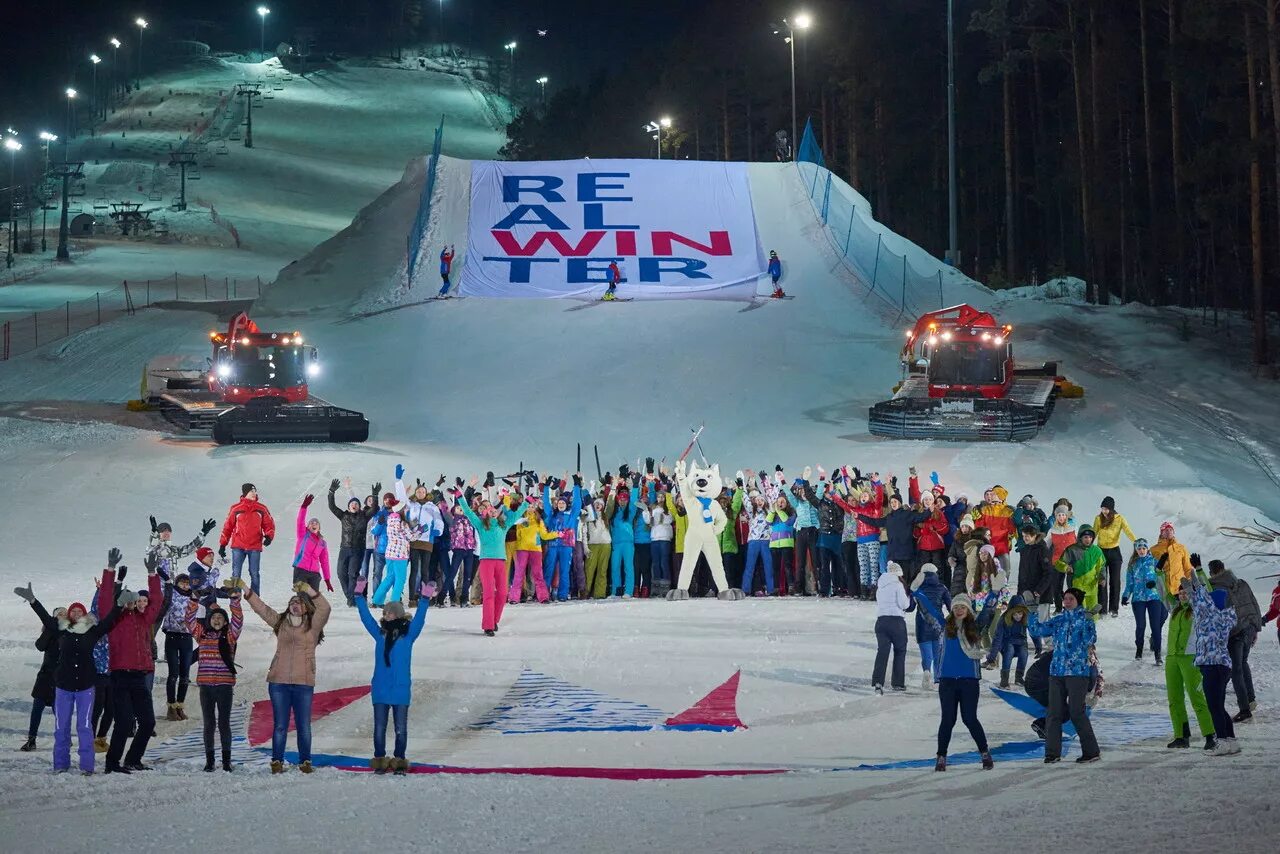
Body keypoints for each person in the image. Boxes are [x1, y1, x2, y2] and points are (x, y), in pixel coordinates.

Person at [14, 581, 120, 774]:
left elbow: (109, 621)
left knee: (85, 727)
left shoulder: (92, 631)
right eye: (74, 611)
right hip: (63, 687)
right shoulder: (61, 630)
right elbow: (46, 619)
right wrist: (33, 600)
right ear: (69, 615)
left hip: (86, 688)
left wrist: (119, 604)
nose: (77, 613)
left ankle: (87, 766)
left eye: (80, 611)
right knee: (61, 727)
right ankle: (61, 764)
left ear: (85, 614)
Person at [244, 581, 330, 773]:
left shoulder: (313, 626)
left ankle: (305, 761)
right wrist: (245, 589)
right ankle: (277, 761)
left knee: (303, 725)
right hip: (278, 683)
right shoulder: (280, 623)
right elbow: (262, 609)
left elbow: (325, 608)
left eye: (299, 602)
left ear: (306, 608)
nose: (295, 604)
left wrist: (308, 589)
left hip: (303, 682)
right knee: (280, 725)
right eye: (292, 602)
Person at [356, 577, 431, 775]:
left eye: (387, 612)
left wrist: (424, 599)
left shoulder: (408, 635)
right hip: (381, 688)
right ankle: (380, 758)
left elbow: (420, 619)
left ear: (396, 614)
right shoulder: (380, 634)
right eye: (384, 612)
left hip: (399, 688)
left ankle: (399, 759)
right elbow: (366, 619)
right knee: (379, 728)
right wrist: (358, 597)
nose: (385, 614)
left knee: (400, 728)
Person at [913, 590, 994, 771]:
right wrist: (917, 592)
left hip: (969, 681)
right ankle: (941, 756)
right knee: (948, 720)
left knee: (970, 718)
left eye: (962, 607)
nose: (958, 610)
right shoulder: (944, 626)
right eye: (955, 607)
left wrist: (994, 592)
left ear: (968, 609)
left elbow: (988, 609)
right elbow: (930, 611)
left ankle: (985, 753)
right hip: (948, 681)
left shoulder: (976, 626)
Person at [100, 550, 163, 774]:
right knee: (124, 723)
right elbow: (105, 598)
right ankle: (112, 762)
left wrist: (152, 573)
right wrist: (110, 569)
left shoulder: (143, 619)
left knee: (147, 723)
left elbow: (156, 601)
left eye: (134, 601)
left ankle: (133, 759)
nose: (132, 603)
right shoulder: (113, 620)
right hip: (119, 676)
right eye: (128, 600)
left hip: (140, 675)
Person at [1028, 587, 1101, 763]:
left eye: (1071, 599)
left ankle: (1091, 752)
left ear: (1078, 601)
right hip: (1057, 672)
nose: (1067, 602)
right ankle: (1052, 753)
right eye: (1065, 599)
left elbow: (1089, 641)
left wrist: (1088, 622)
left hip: (1077, 673)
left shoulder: (1085, 619)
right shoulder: (1059, 620)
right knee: (1053, 713)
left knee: (1077, 712)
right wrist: (1032, 612)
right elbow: (1037, 631)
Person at [184, 584, 243, 772]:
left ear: (225, 622)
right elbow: (189, 620)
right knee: (209, 723)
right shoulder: (202, 635)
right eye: (214, 618)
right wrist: (194, 600)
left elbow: (238, 619)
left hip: (224, 686)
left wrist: (234, 599)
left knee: (224, 723)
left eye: (221, 618)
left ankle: (226, 761)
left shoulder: (230, 636)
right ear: (209, 621)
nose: (217, 620)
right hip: (206, 686)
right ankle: (210, 761)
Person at [455, 491, 528, 635]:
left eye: (494, 510)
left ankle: (494, 620)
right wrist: (459, 496)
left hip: (501, 561)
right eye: (490, 510)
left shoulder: (504, 525)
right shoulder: (481, 526)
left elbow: (517, 513)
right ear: (486, 514)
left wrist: (528, 501)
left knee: (502, 593)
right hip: (486, 562)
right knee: (488, 593)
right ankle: (488, 626)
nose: (493, 511)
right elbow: (469, 512)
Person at [1185, 574, 1240, 755]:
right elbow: (1199, 604)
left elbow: (1202, 604)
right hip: (1222, 665)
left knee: (1214, 707)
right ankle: (1231, 741)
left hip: (1212, 665)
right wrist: (1194, 592)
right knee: (1219, 705)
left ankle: (1222, 742)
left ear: (1212, 604)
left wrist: (1198, 585)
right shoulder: (1221, 618)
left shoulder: (1211, 617)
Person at [1162, 578, 1216, 751]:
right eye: (1181, 592)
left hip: (1190, 657)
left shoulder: (1199, 609)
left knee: (1197, 698)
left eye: (1186, 592)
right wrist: (1158, 572)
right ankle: (1181, 736)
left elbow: (1208, 594)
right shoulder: (1175, 609)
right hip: (1172, 657)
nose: (1183, 595)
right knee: (1174, 699)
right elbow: (1162, 590)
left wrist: (1199, 572)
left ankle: (1210, 735)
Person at [1208, 559, 1262, 722]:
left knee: (1235, 670)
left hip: (1235, 632)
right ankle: (1250, 699)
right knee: (1243, 663)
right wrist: (1256, 628)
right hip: (1249, 627)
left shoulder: (1216, 588)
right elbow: (1254, 604)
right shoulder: (1242, 583)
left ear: (1212, 572)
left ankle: (1244, 709)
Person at [16, 589, 60, 752]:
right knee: (37, 710)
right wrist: (48, 630)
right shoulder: (50, 631)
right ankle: (32, 740)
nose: (62, 615)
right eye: (59, 613)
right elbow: (40, 646)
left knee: (59, 712)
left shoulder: (68, 633)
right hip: (45, 677)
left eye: (64, 613)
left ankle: (64, 738)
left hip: (60, 679)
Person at [218, 483, 276, 596]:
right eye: (251, 491)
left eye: (255, 491)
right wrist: (222, 544)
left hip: (254, 546)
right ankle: (236, 595)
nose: (254, 493)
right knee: (236, 573)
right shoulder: (235, 508)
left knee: (254, 573)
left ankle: (255, 597)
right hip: (238, 546)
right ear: (245, 493)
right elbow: (227, 527)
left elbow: (269, 525)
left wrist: (269, 536)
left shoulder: (261, 508)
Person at [328, 478, 375, 607]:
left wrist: (375, 496)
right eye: (352, 504)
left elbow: (374, 509)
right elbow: (332, 507)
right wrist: (331, 492)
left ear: (359, 507)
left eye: (356, 504)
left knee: (353, 574)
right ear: (349, 506)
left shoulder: (364, 517)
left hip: (358, 550)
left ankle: (351, 600)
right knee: (340, 573)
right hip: (344, 549)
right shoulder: (343, 516)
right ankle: (351, 596)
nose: (354, 505)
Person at [399, 477, 444, 607]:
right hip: (414, 540)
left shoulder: (432, 507)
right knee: (414, 570)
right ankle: (412, 598)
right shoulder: (411, 504)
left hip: (427, 542)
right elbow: (401, 504)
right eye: (418, 491)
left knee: (425, 570)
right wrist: (403, 491)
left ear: (426, 493)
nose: (421, 493)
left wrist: (437, 531)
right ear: (416, 493)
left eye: (423, 491)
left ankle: (426, 597)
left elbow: (438, 520)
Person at [159, 572, 197, 721]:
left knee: (185, 675)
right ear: (177, 583)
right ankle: (171, 706)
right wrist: (162, 572)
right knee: (173, 674)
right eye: (182, 583)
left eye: (187, 583)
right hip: (172, 636)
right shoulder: (171, 594)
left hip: (187, 638)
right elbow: (163, 585)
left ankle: (180, 705)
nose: (185, 585)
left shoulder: (192, 596)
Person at [871, 562, 914, 694]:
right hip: (896, 622)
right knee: (900, 651)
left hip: (881, 621)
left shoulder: (881, 586)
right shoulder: (898, 585)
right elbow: (904, 604)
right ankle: (897, 682)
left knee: (882, 652)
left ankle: (878, 682)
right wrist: (910, 598)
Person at [1122, 538, 1166, 664]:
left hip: (1154, 598)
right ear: (1136, 550)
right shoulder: (1132, 565)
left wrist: (1155, 583)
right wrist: (1125, 596)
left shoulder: (1154, 562)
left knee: (1155, 626)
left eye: (1144, 548)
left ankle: (1158, 654)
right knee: (1141, 625)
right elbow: (1129, 583)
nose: (1141, 551)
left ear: (1147, 549)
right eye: (1139, 548)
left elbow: (1162, 578)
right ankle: (1139, 650)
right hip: (1138, 599)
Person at [1092, 496, 1137, 616]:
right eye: (1102, 508)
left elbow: (1128, 531)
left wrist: (1136, 542)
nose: (1104, 511)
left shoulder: (1119, 518)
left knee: (1115, 581)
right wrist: (1088, 545)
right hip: (1101, 552)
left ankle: (1114, 609)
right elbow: (1093, 532)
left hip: (1114, 552)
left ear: (1112, 509)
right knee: (1102, 581)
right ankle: (1102, 609)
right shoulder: (1098, 519)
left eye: (1106, 509)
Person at [910, 563, 951, 690]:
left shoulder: (917, 589)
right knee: (938, 653)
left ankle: (927, 671)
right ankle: (938, 679)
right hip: (938, 624)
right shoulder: (942, 588)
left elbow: (910, 607)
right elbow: (951, 607)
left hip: (922, 624)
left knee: (926, 654)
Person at [543, 479, 584, 602]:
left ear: (566, 505)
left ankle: (562, 594)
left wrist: (576, 486)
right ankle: (544, 593)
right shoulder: (552, 515)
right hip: (553, 545)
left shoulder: (571, 515)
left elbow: (577, 503)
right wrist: (546, 487)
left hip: (566, 546)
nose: (561, 505)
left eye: (563, 503)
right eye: (559, 503)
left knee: (564, 571)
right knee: (549, 569)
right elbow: (546, 504)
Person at [510, 499, 557, 604]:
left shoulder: (538, 520)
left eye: (532, 506)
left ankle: (543, 597)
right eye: (528, 506)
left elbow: (544, 535)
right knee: (519, 573)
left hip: (536, 550)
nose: (530, 508)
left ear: (535, 508)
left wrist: (556, 534)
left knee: (538, 573)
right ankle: (514, 597)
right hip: (522, 549)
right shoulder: (520, 519)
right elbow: (512, 523)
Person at [1016, 526, 1053, 653]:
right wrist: (1020, 593)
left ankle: (1051, 643)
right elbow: (1022, 573)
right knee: (1029, 619)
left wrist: (1040, 590)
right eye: (1023, 535)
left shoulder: (1042, 549)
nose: (1025, 538)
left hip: (1041, 593)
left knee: (1043, 619)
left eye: (1028, 535)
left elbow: (1048, 573)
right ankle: (1035, 642)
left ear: (1034, 535)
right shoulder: (1024, 549)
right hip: (1027, 593)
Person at [145, 515, 215, 581]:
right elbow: (150, 550)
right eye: (163, 531)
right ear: (159, 534)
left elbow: (191, 548)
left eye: (168, 531)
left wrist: (203, 533)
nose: (166, 533)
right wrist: (154, 534)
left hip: (173, 585)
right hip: (158, 585)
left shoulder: (174, 551)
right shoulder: (156, 549)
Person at [1055, 525, 1105, 613]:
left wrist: (1102, 578)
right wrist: (1066, 567)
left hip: (1092, 588)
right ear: (1080, 537)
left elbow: (1101, 567)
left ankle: (1092, 626)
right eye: (1085, 537)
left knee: (1092, 615)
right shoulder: (1071, 550)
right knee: (1079, 613)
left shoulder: (1097, 551)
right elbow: (1058, 563)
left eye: (1090, 537)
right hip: (1077, 587)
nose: (1088, 539)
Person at [983, 595, 1030, 688]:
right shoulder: (1004, 620)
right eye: (1015, 614)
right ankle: (1004, 680)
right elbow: (997, 638)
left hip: (1021, 642)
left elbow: (1034, 632)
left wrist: (1038, 645)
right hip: (1007, 642)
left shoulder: (1026, 619)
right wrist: (992, 657)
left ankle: (1019, 678)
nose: (1018, 616)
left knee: (1024, 654)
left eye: (1020, 614)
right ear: (1011, 613)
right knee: (1009, 651)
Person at [292, 495, 333, 595]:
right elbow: (300, 521)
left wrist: (327, 579)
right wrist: (304, 507)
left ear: (319, 528)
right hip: (300, 571)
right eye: (311, 523)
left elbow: (324, 562)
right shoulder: (303, 535)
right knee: (302, 597)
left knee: (313, 601)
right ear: (308, 526)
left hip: (314, 574)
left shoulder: (322, 543)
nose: (314, 524)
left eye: (316, 523)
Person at [606, 484, 641, 597]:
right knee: (615, 567)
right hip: (616, 544)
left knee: (628, 567)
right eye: (621, 499)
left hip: (627, 544)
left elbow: (634, 501)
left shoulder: (630, 512)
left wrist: (635, 487)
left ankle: (628, 591)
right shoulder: (614, 513)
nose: (622, 501)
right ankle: (616, 591)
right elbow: (609, 506)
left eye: (625, 499)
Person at [973, 486, 1016, 576]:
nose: (991, 496)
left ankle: (1003, 588)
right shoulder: (984, 510)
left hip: (1002, 547)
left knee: (1005, 571)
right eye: (991, 494)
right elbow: (978, 527)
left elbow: (1013, 529)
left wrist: (1010, 537)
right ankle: (988, 589)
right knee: (986, 572)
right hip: (988, 546)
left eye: (994, 494)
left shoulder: (1009, 511)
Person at [446, 498, 478, 608]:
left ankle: (464, 598)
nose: (461, 510)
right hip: (459, 549)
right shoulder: (453, 520)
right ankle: (443, 597)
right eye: (459, 509)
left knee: (468, 574)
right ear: (454, 510)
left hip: (469, 549)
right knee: (452, 573)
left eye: (462, 509)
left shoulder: (469, 520)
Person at [1150, 521, 1193, 595]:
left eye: (1171, 530)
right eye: (1166, 530)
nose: (1169, 532)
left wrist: (1193, 583)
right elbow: (1150, 569)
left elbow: (1187, 568)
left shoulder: (1181, 548)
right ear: (1161, 532)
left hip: (1181, 588)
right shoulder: (1153, 550)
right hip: (1164, 589)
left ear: (1173, 532)